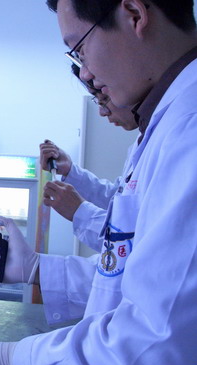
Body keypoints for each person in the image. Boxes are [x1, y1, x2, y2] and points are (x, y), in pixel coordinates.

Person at [0, 1, 197, 365]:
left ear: (134, 14)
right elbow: (128, 273)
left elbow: (152, 344)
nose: (87, 74)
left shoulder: (189, 130)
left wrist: (17, 357)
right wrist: (35, 268)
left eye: (79, 48)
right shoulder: (163, 128)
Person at [41, 64, 138, 251]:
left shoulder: (178, 136)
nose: (102, 112)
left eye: (104, 99)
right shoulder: (140, 145)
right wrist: (70, 170)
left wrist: (80, 211)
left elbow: (133, 244)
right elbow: (117, 200)